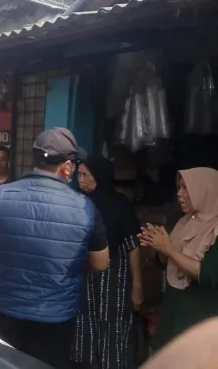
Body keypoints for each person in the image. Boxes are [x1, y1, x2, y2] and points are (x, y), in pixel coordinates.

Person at [0, 127, 110, 369]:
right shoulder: (85, 208)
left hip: (6, 307)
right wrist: (73, 269)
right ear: (67, 167)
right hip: (56, 315)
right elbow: (101, 263)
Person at [71, 156, 143, 369]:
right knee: (84, 325)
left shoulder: (119, 205)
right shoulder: (79, 203)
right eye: (79, 174)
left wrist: (137, 287)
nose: (80, 179)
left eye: (85, 174)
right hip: (85, 277)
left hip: (113, 281)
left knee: (113, 330)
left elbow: (133, 247)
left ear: (100, 177)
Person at [139, 167, 218, 351]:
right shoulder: (184, 223)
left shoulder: (215, 230)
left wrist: (169, 249)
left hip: (197, 322)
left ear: (205, 190)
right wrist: (158, 245)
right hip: (172, 318)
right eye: (179, 187)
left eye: (186, 188)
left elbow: (207, 275)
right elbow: (166, 264)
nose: (180, 194)